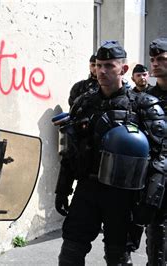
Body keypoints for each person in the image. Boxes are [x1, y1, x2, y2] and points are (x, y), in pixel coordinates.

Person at [55, 40, 166, 265]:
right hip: (88, 189)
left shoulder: (144, 106)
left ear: (123, 69)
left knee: (117, 257)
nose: (101, 71)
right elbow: (70, 150)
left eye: (109, 66)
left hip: (124, 195)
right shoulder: (83, 103)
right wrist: (63, 188)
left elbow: (161, 157)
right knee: (70, 253)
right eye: (98, 65)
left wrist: (150, 203)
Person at [144, 37, 167, 266]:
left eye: (161, 59)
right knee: (157, 233)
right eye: (153, 59)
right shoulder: (147, 99)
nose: (155, 63)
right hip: (157, 175)